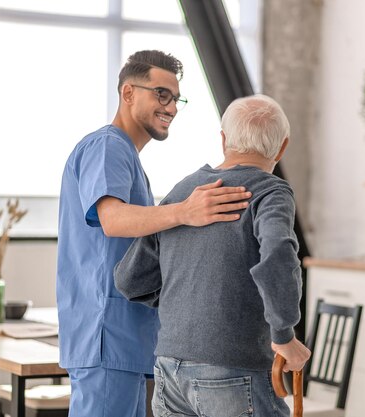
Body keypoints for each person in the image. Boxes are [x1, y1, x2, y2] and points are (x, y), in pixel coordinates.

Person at [56, 50, 251, 417]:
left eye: (176, 98)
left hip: (121, 338)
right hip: (107, 334)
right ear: (128, 93)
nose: (172, 107)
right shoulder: (107, 146)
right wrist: (185, 211)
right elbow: (112, 219)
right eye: (162, 94)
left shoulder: (125, 155)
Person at [114, 94, 311, 417]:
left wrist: (187, 303)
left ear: (223, 141)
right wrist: (284, 335)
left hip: (169, 367)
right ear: (282, 147)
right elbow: (278, 255)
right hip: (233, 367)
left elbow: (129, 279)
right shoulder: (270, 191)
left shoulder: (185, 191)